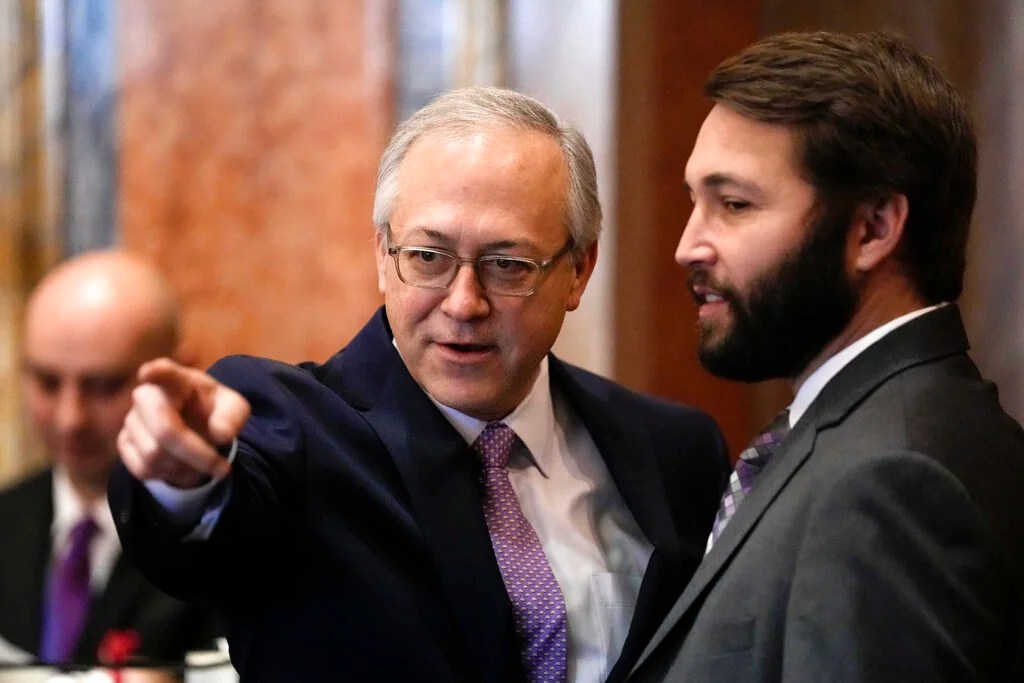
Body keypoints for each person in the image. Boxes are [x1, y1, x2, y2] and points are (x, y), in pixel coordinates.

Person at [109, 87, 729, 682]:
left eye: (508, 265)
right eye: (428, 258)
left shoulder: (674, 452)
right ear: (383, 257)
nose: (463, 303)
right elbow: (204, 548)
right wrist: (186, 480)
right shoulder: (285, 424)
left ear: (578, 271)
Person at [627, 30, 1024, 682]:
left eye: (733, 204)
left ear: (872, 229)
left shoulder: (892, 480)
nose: (687, 245)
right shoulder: (888, 429)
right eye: (692, 201)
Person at [0, 250, 222, 666]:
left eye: (104, 386)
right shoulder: (7, 517)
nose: (71, 419)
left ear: (179, 373)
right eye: (48, 382)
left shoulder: (225, 540)